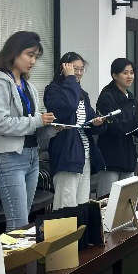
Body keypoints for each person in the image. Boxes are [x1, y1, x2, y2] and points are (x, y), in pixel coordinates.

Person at [0, 31, 56, 232]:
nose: (33, 61)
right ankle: (10, 255)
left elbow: (32, 126)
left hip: (31, 156)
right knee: (18, 223)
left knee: (24, 221)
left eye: (36, 57)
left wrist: (50, 126)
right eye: (29, 55)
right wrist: (37, 120)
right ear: (14, 52)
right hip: (9, 158)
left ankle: (21, 255)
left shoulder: (28, 86)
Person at [44, 52, 107, 210]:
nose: (78, 73)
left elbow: (89, 118)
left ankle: (81, 227)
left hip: (84, 152)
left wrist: (97, 122)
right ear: (64, 68)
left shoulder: (82, 94)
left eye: (81, 69)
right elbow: (67, 107)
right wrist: (70, 79)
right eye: (74, 69)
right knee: (66, 203)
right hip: (66, 152)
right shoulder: (53, 90)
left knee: (82, 202)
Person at [94, 58, 138, 197]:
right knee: (107, 199)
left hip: (128, 157)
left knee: (127, 200)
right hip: (110, 157)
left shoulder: (130, 97)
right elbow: (116, 127)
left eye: (131, 73)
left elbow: (134, 130)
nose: (129, 76)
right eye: (125, 73)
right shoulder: (106, 97)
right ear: (115, 75)